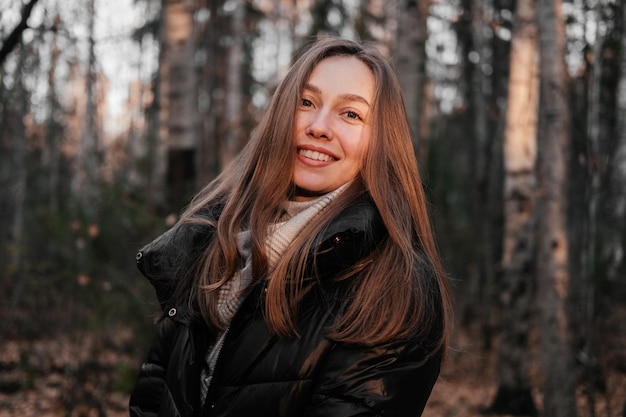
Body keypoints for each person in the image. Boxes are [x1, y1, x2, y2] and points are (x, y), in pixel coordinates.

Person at [129, 36, 452, 417]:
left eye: (350, 114)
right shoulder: (211, 241)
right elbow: (152, 400)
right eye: (306, 102)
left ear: (381, 141)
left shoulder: (395, 283)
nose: (318, 126)